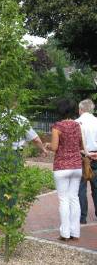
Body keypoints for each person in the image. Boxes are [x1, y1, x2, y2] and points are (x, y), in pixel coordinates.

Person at [45, 99, 82, 241]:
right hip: (77, 166)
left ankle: (65, 233)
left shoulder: (57, 126)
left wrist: (47, 145)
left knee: (63, 200)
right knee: (74, 198)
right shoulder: (78, 125)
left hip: (62, 166)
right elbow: (80, 145)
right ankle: (75, 232)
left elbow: (54, 147)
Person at [75, 99, 97, 224]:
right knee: (96, 187)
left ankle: (82, 217)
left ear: (80, 109)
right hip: (96, 157)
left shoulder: (76, 123)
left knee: (81, 188)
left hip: (81, 156)